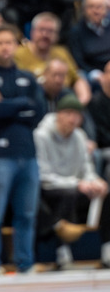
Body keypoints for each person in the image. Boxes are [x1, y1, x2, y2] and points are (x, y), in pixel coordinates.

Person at [0, 25, 47, 274]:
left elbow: (39, 110)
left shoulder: (27, 76)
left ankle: (25, 263)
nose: (6, 47)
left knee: (26, 213)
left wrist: (6, 104)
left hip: (27, 152)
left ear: (16, 46)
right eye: (0, 42)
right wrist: (20, 105)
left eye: (10, 42)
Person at [33, 93, 110, 268]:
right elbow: (43, 175)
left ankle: (107, 251)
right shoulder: (41, 135)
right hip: (48, 189)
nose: (73, 119)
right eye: (68, 114)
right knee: (67, 195)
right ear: (58, 114)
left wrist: (95, 181)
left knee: (106, 194)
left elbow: (87, 168)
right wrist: (77, 183)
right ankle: (63, 253)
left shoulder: (80, 136)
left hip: (76, 187)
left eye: (77, 115)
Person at [15, 12, 91, 105]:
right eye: (41, 30)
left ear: (57, 35)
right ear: (32, 31)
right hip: (34, 102)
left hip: (64, 102)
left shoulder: (62, 52)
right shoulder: (18, 53)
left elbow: (77, 78)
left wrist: (81, 101)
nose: (45, 35)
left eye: (50, 31)